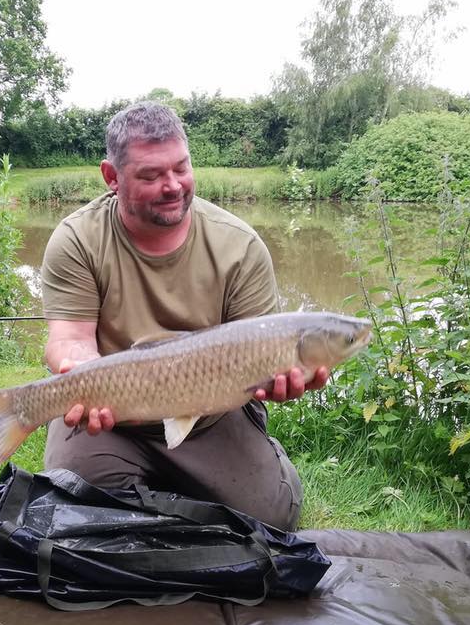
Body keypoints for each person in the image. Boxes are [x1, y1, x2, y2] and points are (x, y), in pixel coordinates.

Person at [39, 101, 328, 530]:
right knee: (70, 517)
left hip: (212, 416)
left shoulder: (240, 247)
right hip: (113, 417)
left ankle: (247, 459)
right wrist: (81, 371)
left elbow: (266, 351)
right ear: (112, 177)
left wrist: (284, 378)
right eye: (151, 175)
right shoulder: (78, 239)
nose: (173, 185)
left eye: (181, 167)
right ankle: (147, 478)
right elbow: (69, 339)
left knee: (271, 522)